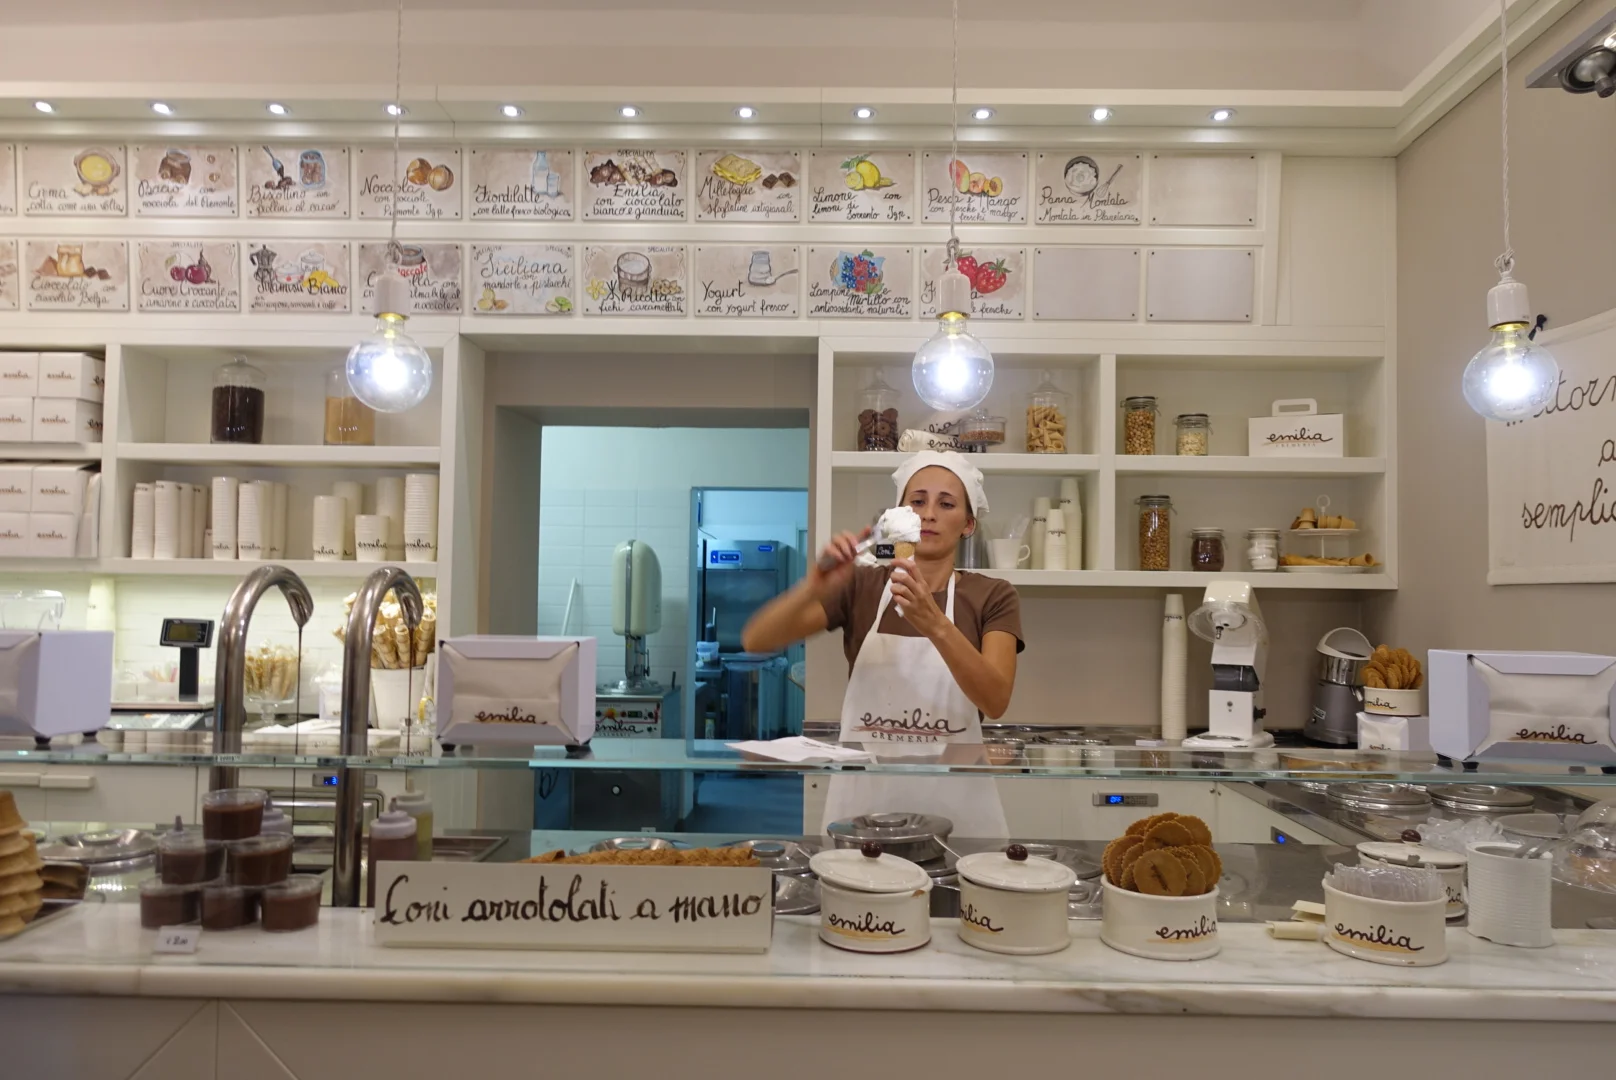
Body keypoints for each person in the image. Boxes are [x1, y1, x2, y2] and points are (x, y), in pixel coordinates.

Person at [742, 450, 1023, 837]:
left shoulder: (992, 595)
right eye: (917, 502)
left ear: (968, 524)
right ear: (899, 516)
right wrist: (813, 585)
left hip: (958, 810)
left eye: (946, 504)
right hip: (866, 809)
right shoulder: (864, 584)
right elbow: (757, 639)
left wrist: (936, 625)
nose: (929, 514)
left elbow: (995, 699)